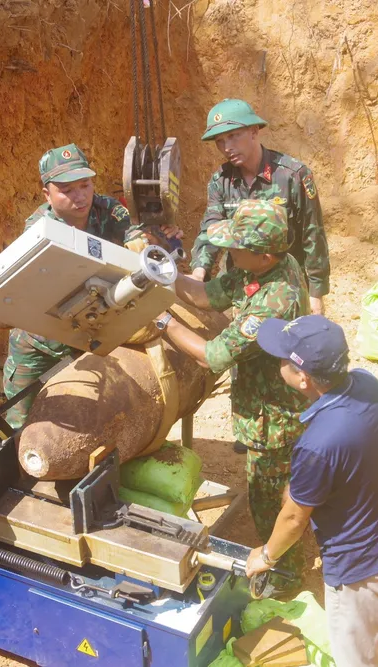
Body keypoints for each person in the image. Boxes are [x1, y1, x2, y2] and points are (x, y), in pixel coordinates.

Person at [244, 314, 378, 667]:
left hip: (360, 574)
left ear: (302, 377)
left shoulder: (318, 444)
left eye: (283, 359)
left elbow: (294, 519)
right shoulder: (369, 384)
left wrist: (265, 557)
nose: (279, 363)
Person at [153, 199, 310, 590]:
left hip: (273, 413)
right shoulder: (260, 268)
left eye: (236, 247)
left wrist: (163, 323)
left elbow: (214, 356)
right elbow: (207, 295)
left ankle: (285, 571)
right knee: (276, 486)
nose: (229, 252)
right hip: (260, 400)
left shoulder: (275, 300)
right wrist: (165, 276)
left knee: (268, 492)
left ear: (265, 254)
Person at [3, 143, 181, 429]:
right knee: (20, 422)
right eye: (67, 190)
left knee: (89, 416)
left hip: (89, 333)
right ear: (47, 194)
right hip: (39, 343)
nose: (80, 196)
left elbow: (137, 235)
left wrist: (150, 240)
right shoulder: (39, 230)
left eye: (85, 185)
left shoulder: (106, 209)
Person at [190, 98, 330, 316]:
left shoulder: (292, 175)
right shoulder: (221, 181)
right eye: (219, 141)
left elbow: (313, 235)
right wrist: (200, 271)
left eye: (233, 136)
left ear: (254, 131)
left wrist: (315, 295)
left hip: (285, 286)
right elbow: (211, 227)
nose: (227, 147)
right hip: (239, 283)